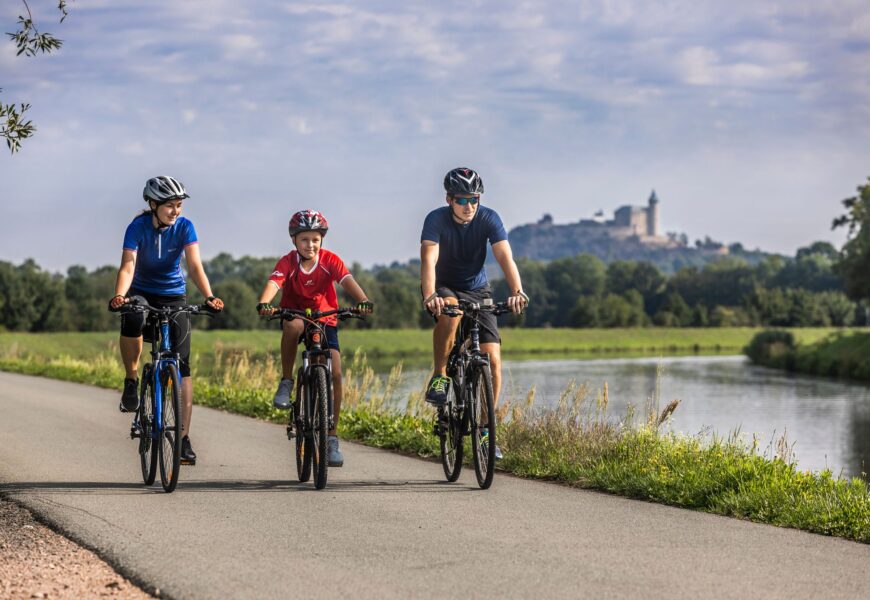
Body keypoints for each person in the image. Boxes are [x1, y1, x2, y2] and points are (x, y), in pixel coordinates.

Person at [109, 175, 223, 466]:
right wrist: (120, 295)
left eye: (179, 205)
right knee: (133, 316)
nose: (176, 211)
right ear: (153, 204)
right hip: (142, 292)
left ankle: (183, 438)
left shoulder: (185, 227)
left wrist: (209, 296)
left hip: (174, 295)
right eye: (170, 205)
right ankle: (132, 380)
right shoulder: (137, 227)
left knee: (182, 366)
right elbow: (128, 265)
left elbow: (195, 266)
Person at [420, 167, 529, 459]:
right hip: (443, 287)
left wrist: (517, 291)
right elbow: (429, 259)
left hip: (478, 290)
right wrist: (430, 294)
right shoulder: (435, 220)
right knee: (452, 315)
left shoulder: (489, 218)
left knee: (492, 358)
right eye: (462, 200)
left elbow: (504, 255)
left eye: (474, 199)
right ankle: (441, 375)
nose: (469, 206)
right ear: (449, 199)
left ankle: (484, 430)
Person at [256, 209, 373, 468]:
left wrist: (362, 301)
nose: (310, 245)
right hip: (294, 313)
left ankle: (331, 438)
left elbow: (347, 280)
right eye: (305, 239)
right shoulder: (288, 262)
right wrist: (265, 303)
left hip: (325, 317)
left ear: (322, 240)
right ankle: (287, 381)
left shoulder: (329, 260)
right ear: (294, 241)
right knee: (293, 328)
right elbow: (274, 284)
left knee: (336, 372)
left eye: (315, 239)